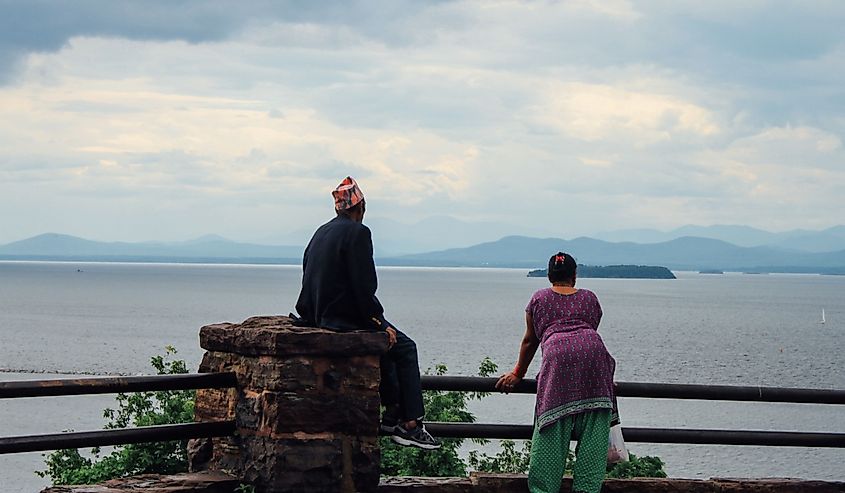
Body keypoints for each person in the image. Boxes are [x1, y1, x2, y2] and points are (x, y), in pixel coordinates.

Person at [293, 176, 440, 450]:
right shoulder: (359, 233)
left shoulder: (320, 232)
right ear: (361, 207)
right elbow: (363, 286)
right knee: (405, 348)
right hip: (340, 318)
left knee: (386, 351)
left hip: (315, 316)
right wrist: (379, 323)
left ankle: (392, 412)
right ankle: (410, 424)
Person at [496, 252, 618, 493]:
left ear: (549, 276)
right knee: (592, 448)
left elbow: (530, 340)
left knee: (551, 435)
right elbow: (589, 328)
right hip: (595, 363)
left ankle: (544, 488)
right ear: (575, 275)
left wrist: (518, 373)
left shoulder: (539, 298)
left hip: (558, 365)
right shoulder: (590, 298)